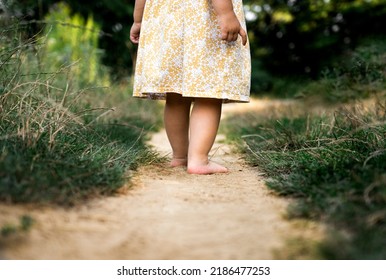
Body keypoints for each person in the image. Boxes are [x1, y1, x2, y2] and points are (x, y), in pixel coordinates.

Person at [130, 0, 251, 175]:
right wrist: (226, 13)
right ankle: (199, 160)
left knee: (175, 95)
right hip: (203, 22)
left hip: (167, 23)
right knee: (208, 92)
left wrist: (138, 20)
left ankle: (180, 157)